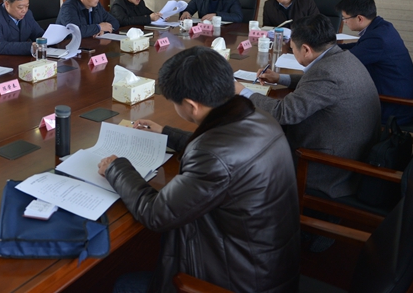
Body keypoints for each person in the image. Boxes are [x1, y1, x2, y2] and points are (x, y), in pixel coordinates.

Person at [98, 47, 300, 293]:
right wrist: (166, 133)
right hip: (269, 265)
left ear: (191, 105)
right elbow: (224, 149)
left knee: (123, 285)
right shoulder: (257, 116)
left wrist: (116, 168)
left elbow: (155, 213)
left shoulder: (213, 155)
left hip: (239, 282)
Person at [236, 14, 380, 198]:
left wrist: (242, 92)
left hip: (328, 167)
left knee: (252, 152)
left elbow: (284, 113)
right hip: (350, 146)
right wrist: (279, 78)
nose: (292, 52)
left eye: (292, 49)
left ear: (305, 49)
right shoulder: (340, 57)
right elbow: (315, 83)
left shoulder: (326, 73)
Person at [336, 0, 413, 126]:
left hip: (394, 108)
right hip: (396, 99)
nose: (344, 22)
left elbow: (346, 62)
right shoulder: (382, 27)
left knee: (333, 107)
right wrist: (330, 47)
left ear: (360, 18)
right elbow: (359, 46)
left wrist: (320, 53)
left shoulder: (378, 38)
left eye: (345, 18)